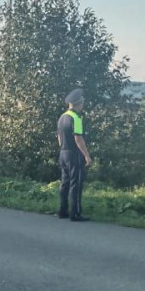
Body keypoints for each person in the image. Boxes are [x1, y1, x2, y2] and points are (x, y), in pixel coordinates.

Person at [57, 88, 92, 222]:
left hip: (63, 153)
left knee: (64, 183)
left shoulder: (62, 117)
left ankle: (62, 210)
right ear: (79, 103)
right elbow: (78, 138)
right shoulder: (76, 118)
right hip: (74, 154)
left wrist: (63, 148)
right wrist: (86, 155)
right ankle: (75, 213)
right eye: (82, 102)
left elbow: (59, 137)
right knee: (75, 184)